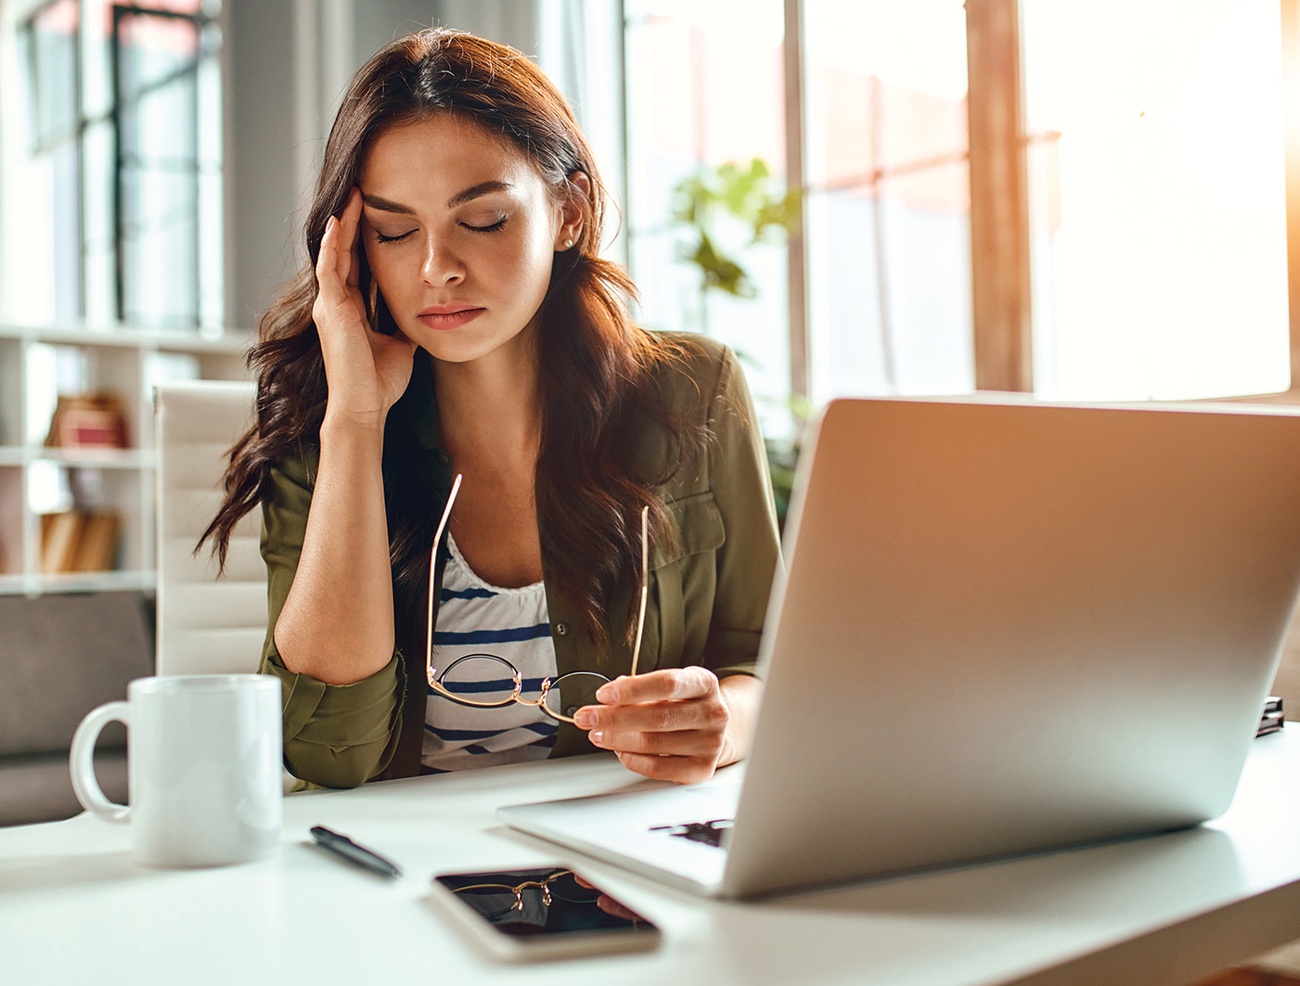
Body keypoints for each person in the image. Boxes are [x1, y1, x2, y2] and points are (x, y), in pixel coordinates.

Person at [202, 28, 780, 790]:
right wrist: (355, 422)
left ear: (568, 212)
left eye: (482, 220)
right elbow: (328, 752)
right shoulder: (325, 422)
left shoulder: (692, 390)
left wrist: (725, 721)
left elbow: (769, 663)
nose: (437, 268)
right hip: (391, 877)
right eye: (395, 230)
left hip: (613, 861)